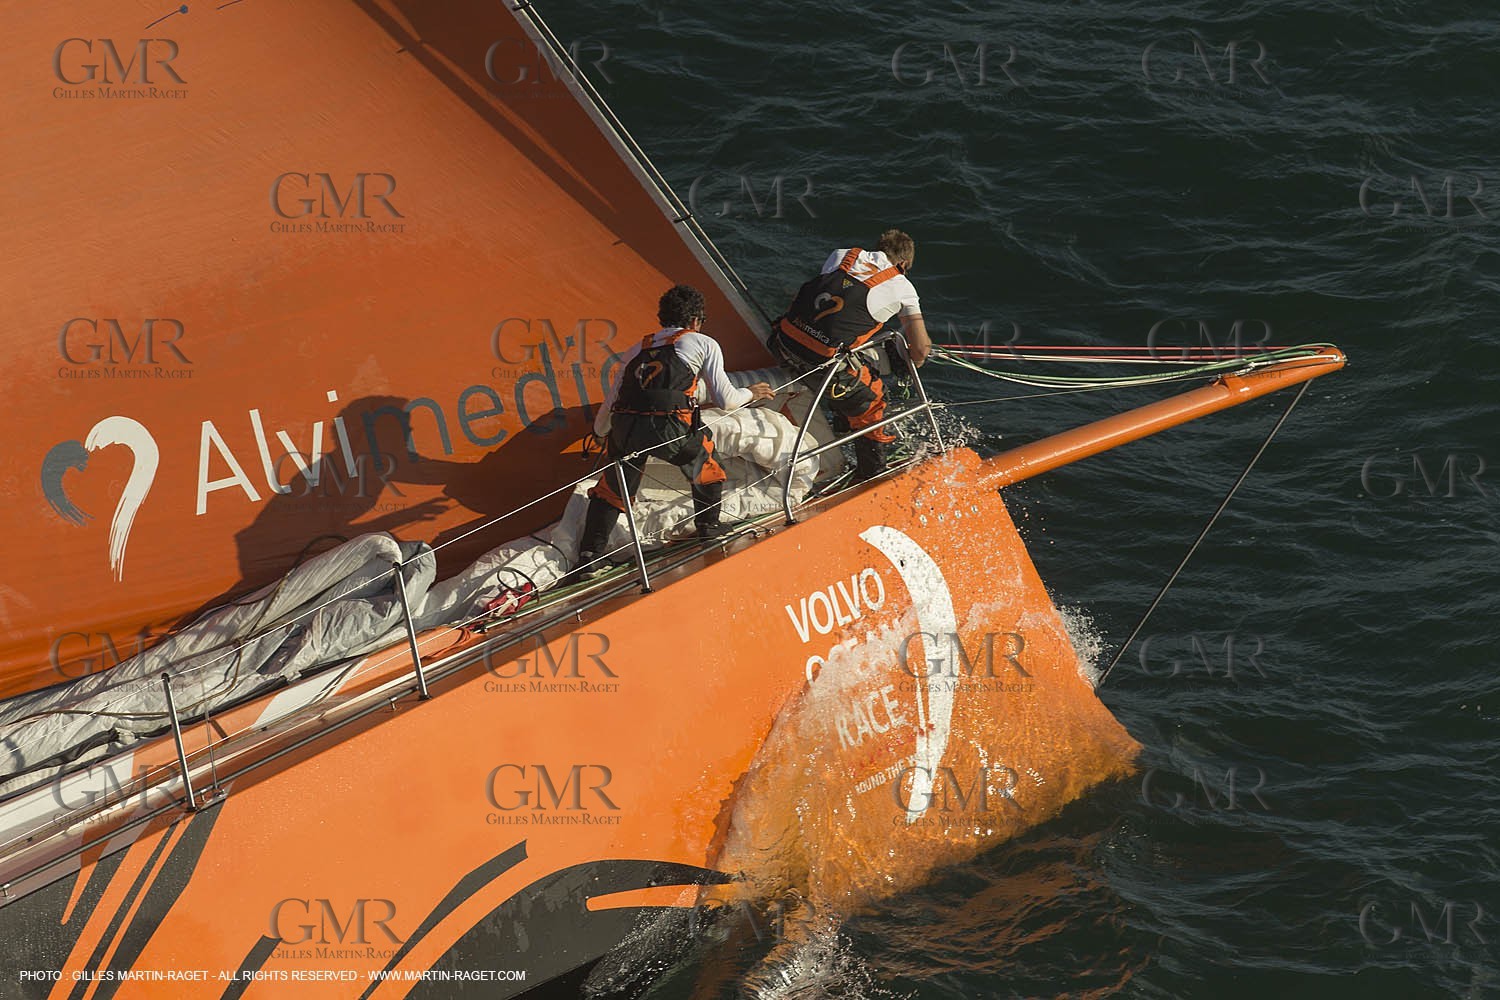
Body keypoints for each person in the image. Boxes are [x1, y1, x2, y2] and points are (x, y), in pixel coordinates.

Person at [573, 285, 774, 575]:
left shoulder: (636, 349)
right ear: (695, 320)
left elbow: (611, 402)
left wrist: (600, 432)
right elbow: (727, 401)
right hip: (669, 428)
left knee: (613, 488)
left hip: (625, 429)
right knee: (706, 461)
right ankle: (709, 528)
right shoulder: (702, 342)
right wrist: (751, 393)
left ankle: (589, 557)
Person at [768, 229, 933, 481]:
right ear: (903, 264)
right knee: (872, 398)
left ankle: (843, 424)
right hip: (818, 363)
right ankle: (870, 474)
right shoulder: (903, 287)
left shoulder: (842, 255)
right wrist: (915, 361)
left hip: (782, 343)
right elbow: (920, 349)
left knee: (854, 363)